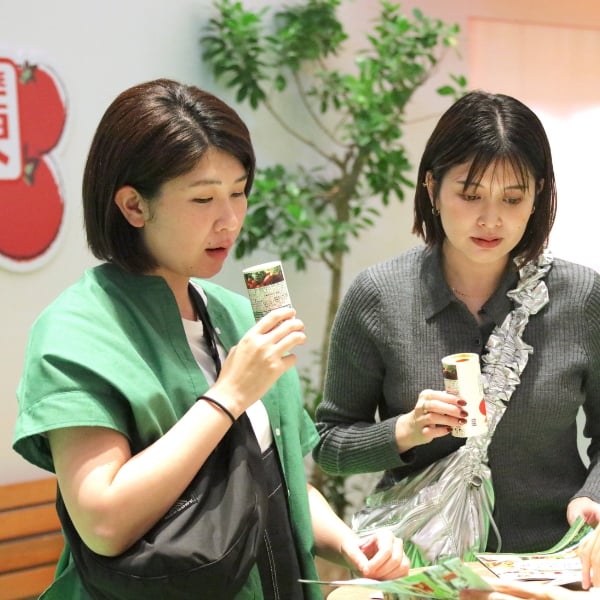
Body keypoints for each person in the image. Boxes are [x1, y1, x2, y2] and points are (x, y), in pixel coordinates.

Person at [12, 79, 410, 599]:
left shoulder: (236, 314)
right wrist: (227, 396)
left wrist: (350, 544)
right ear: (134, 206)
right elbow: (103, 521)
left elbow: (279, 479)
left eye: (239, 192)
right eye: (203, 198)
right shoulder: (77, 330)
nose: (230, 220)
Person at [312, 90, 600, 555]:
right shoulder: (379, 295)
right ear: (432, 188)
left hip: (551, 563)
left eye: (513, 198)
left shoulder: (582, 295)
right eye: (470, 195)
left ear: (538, 196)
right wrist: (406, 430)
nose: (491, 219)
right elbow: (330, 443)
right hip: (420, 565)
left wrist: (593, 498)